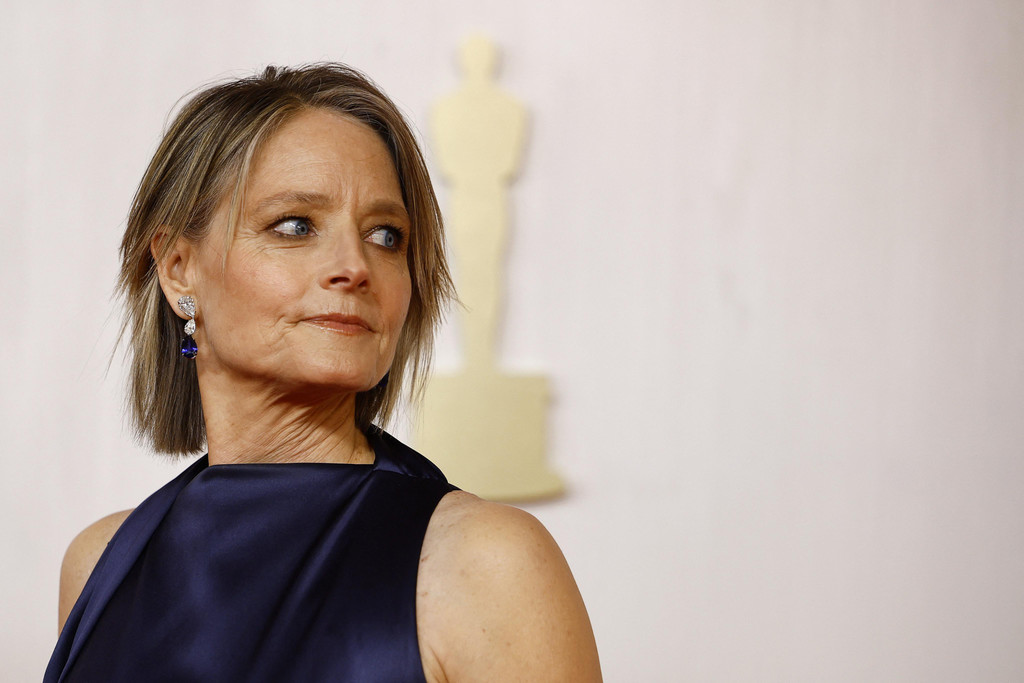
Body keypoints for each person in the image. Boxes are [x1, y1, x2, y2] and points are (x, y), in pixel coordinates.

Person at [46, 63, 602, 682]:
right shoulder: (100, 564)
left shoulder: (487, 564)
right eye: (295, 226)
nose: (354, 265)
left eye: (385, 235)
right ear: (179, 270)